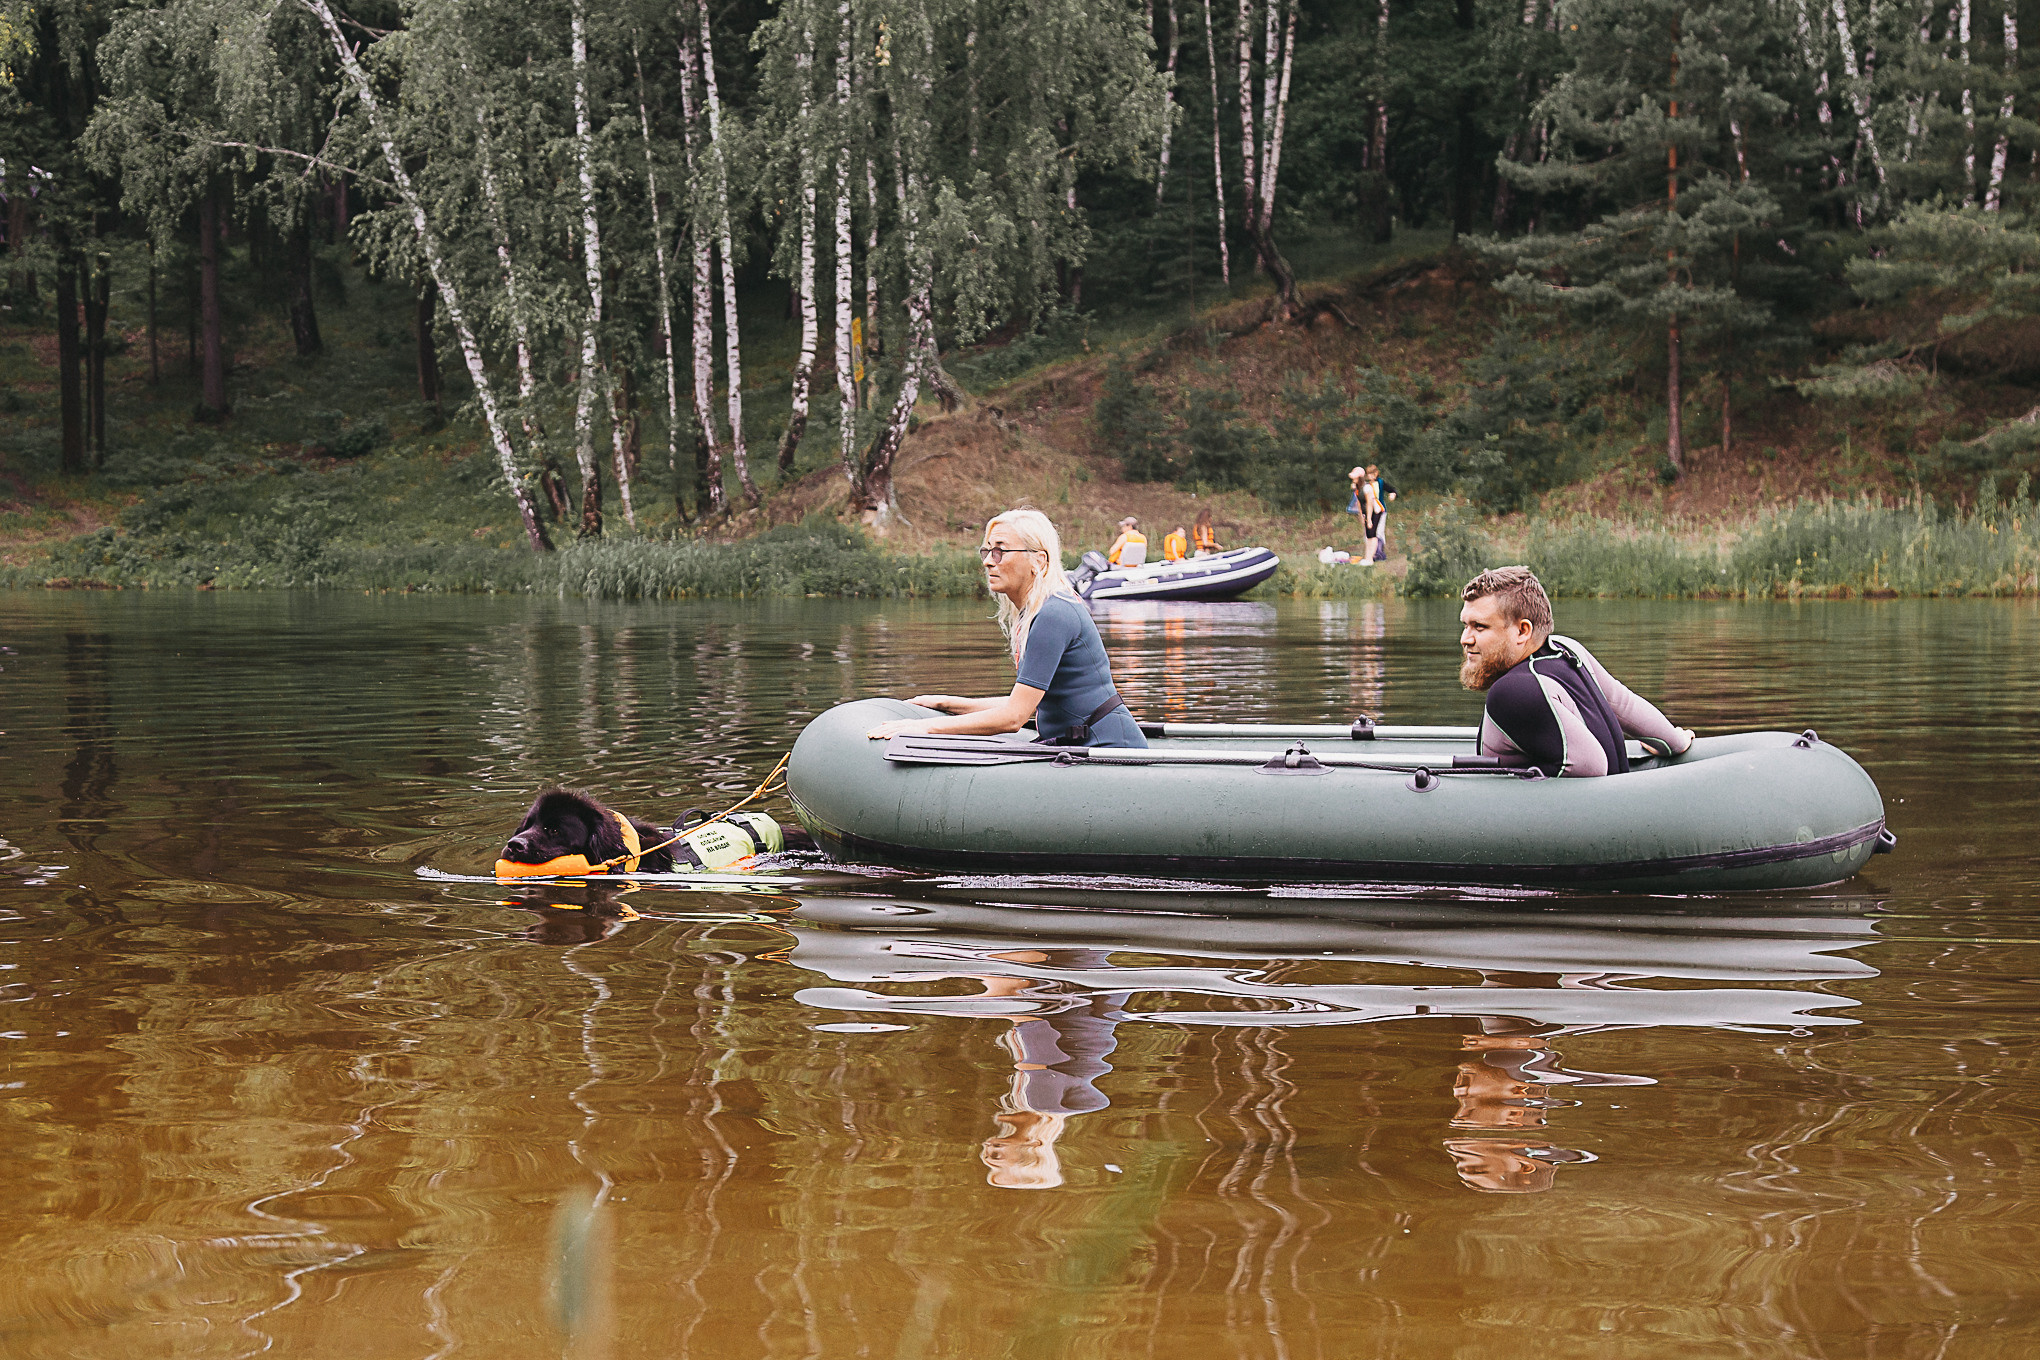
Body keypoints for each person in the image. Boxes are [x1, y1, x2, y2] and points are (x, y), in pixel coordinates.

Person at [867, 508, 1147, 748]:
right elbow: (1027, 703)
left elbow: (1014, 718)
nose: (989, 560)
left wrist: (925, 728)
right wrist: (945, 703)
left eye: (1000, 551)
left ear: (1039, 560)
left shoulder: (1054, 613)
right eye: (987, 550)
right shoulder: (1038, 611)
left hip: (1110, 749)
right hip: (1080, 746)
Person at [1458, 565, 1693, 778]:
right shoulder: (1566, 648)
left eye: (1480, 626)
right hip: (1617, 795)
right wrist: (1672, 742)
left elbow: (1593, 767)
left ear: (1522, 631)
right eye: (1465, 625)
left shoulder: (1512, 692)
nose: (1465, 639)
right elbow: (1623, 704)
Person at [1366, 464, 1397, 560]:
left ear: (1376, 473)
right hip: (1371, 512)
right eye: (1368, 474)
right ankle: (1371, 552)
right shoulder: (1366, 485)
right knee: (1370, 532)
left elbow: (1392, 489)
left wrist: (1393, 494)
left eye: (1372, 474)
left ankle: (1379, 552)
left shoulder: (1380, 482)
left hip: (1381, 511)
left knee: (1379, 531)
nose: (1370, 476)